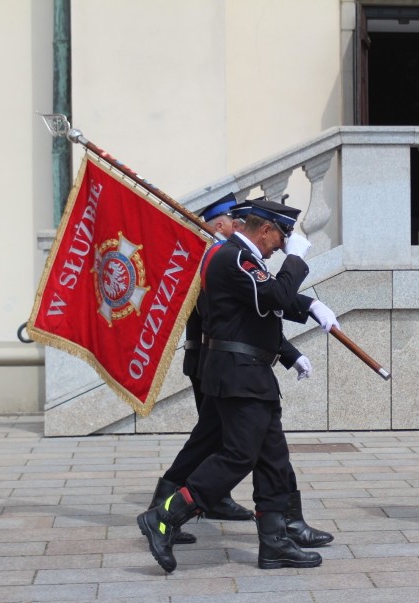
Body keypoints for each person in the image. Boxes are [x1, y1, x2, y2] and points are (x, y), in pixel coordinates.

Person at [138, 197, 340, 573]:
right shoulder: (234, 257)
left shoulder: (241, 259)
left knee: (272, 458)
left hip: (250, 373)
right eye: (280, 238)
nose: (281, 245)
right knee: (237, 456)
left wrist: (308, 308)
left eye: (285, 243)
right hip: (239, 374)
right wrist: (296, 260)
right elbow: (274, 294)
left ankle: (275, 542)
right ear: (264, 229)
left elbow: (262, 308)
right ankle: (163, 517)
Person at [146, 195, 253, 549]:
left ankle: (212, 498)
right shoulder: (209, 256)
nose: (240, 229)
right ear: (221, 224)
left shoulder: (221, 254)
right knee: (208, 437)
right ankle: (162, 508)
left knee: (215, 436)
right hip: (212, 359)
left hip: (219, 359)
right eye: (235, 223)